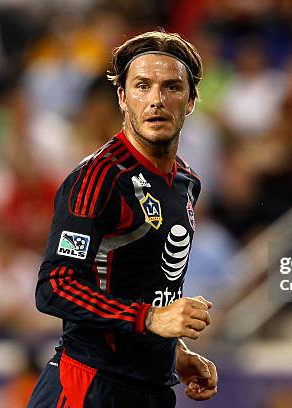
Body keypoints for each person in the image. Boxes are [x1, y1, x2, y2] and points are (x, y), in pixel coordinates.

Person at [27, 31, 217, 408]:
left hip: (153, 391)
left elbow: (143, 286)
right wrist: (150, 319)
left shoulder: (186, 183)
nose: (157, 101)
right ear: (122, 97)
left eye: (172, 87)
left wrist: (172, 353)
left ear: (191, 101)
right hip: (89, 385)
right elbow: (54, 286)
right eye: (142, 86)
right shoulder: (99, 178)